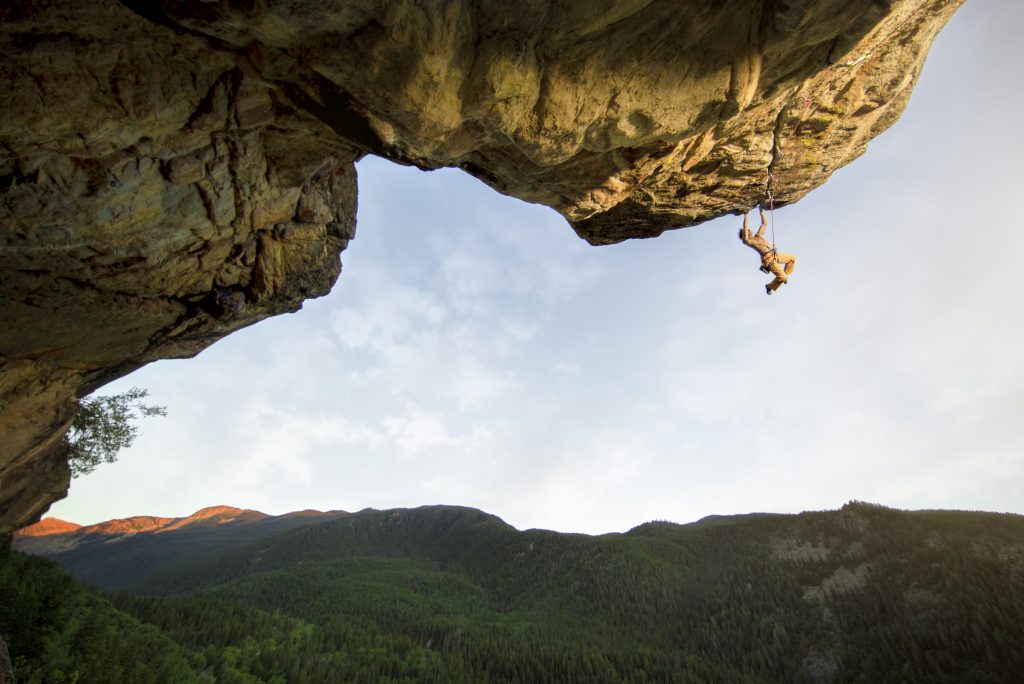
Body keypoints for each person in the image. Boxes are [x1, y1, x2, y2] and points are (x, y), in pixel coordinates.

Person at [739, 208, 795, 295]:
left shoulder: (758, 236)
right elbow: (745, 227)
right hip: (769, 260)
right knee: (782, 277)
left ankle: (783, 275)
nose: (749, 231)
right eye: (747, 231)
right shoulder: (748, 241)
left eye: (749, 231)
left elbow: (764, 224)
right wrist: (746, 215)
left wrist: (761, 211)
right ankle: (769, 286)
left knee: (792, 258)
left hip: (775, 255)